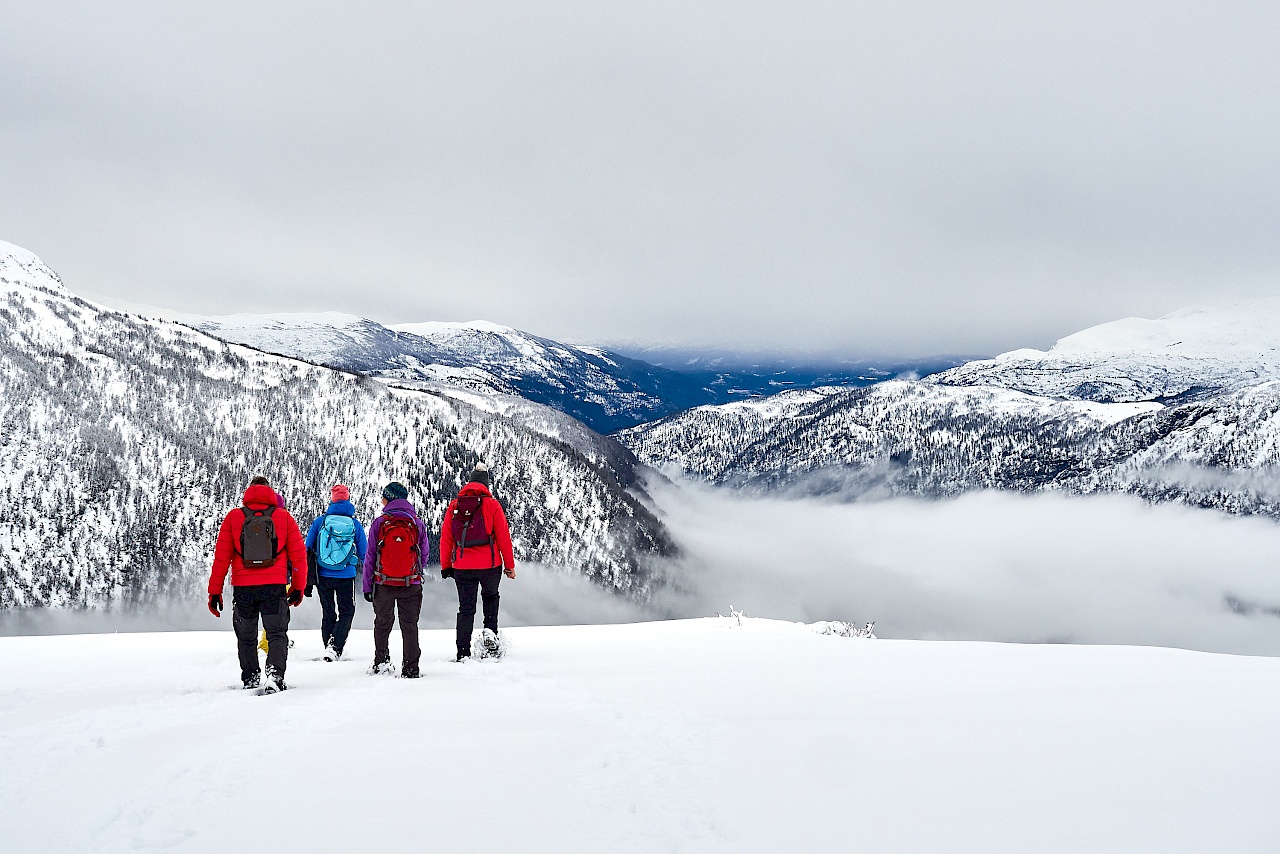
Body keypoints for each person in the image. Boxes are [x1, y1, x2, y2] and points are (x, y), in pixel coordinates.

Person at [207, 475, 308, 692]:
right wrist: (298, 586)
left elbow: (222, 559)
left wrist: (214, 592)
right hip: (274, 586)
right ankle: (275, 676)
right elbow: (299, 557)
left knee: (246, 637)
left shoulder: (234, 518)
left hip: (244, 589)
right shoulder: (284, 518)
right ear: (270, 492)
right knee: (277, 634)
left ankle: (251, 678)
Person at [440, 463, 516, 661]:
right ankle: (490, 639)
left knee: (466, 608)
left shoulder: (455, 505)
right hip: (490, 565)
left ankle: (463, 652)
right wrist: (509, 566)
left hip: (462, 567)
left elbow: (446, 538)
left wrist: (446, 565)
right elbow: (503, 538)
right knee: (490, 598)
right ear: (486, 484)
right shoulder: (492, 505)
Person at [362, 482, 430, 678]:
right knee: (409, 626)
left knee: (382, 624)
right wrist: (415, 571)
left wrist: (368, 585)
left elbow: (370, 557)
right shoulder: (417, 523)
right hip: (411, 583)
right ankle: (411, 668)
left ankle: (381, 662)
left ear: (389, 498)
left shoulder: (379, 523)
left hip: (384, 583)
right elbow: (424, 554)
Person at [304, 484, 367, 661]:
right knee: (347, 612)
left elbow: (307, 548)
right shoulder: (354, 524)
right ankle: (335, 647)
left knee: (328, 612)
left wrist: (305, 579)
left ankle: (329, 648)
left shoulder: (321, 522)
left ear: (332, 500)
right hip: (346, 575)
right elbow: (364, 553)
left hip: (323, 574)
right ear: (347, 499)